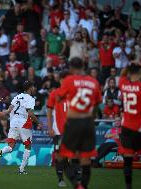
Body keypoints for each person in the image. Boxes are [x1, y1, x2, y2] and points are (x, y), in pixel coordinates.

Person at [58, 57, 102, 189]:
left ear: (71, 68)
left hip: (74, 122)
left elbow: (60, 96)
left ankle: (76, 185)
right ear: (83, 65)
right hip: (88, 123)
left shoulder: (69, 80)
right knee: (85, 160)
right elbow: (97, 104)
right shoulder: (94, 82)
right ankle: (83, 186)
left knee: (60, 157)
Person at [0, 81, 42, 174]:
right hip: (24, 123)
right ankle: (21, 169)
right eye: (33, 87)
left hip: (13, 123)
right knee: (28, 146)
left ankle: (0, 151)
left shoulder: (16, 97)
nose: (34, 89)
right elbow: (30, 113)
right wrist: (38, 123)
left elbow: (10, 109)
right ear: (30, 88)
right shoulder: (30, 99)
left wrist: (4, 113)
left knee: (10, 147)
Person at [46, 70, 69, 187]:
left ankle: (75, 177)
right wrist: (50, 128)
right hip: (58, 131)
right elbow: (49, 112)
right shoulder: (54, 94)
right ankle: (60, 179)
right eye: (64, 79)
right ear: (60, 80)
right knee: (59, 155)